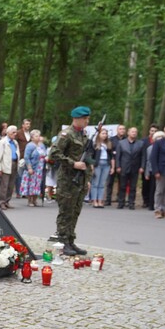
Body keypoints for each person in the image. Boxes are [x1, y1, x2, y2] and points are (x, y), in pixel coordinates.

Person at [50, 106, 93, 257]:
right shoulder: (66, 134)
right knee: (65, 212)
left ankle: (70, 240)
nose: (87, 121)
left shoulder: (83, 135)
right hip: (67, 180)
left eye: (88, 118)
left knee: (75, 211)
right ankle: (62, 242)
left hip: (80, 180)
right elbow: (54, 153)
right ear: (77, 119)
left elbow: (86, 158)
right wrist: (72, 163)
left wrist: (87, 179)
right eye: (85, 119)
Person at [115, 126, 146, 209]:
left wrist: (142, 167)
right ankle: (121, 202)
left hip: (135, 168)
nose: (134, 133)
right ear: (128, 133)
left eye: (135, 132)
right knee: (122, 186)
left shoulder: (141, 143)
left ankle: (131, 203)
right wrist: (118, 166)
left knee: (133, 187)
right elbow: (118, 156)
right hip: (123, 167)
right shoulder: (121, 143)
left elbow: (143, 156)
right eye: (132, 131)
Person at [0, 124, 19, 210]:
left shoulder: (15, 142)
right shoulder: (2, 142)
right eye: (13, 132)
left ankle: (7, 201)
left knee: (11, 185)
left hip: (14, 163)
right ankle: (1, 202)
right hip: (5, 165)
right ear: (8, 133)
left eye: (16, 132)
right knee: (4, 185)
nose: (15, 134)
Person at [19, 129, 46, 207]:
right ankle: (29, 200)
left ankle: (35, 199)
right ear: (32, 138)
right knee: (31, 184)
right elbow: (26, 157)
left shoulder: (42, 145)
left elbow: (45, 154)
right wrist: (29, 168)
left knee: (37, 184)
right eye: (36, 136)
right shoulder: (30, 145)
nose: (38, 137)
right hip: (33, 167)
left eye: (39, 136)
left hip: (40, 168)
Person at [89, 128, 114, 208]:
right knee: (95, 183)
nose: (104, 135)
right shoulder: (95, 144)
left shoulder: (109, 144)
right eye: (103, 133)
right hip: (98, 164)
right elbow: (91, 156)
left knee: (102, 184)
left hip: (106, 164)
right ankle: (94, 200)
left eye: (105, 134)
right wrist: (92, 166)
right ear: (99, 134)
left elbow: (112, 156)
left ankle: (100, 200)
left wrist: (112, 167)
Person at [104, 124, 126, 206]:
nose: (122, 130)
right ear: (117, 130)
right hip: (112, 163)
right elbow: (109, 151)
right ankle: (108, 199)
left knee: (122, 183)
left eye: (123, 129)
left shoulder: (127, 140)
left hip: (122, 164)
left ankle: (120, 199)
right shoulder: (112, 139)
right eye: (120, 129)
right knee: (110, 182)